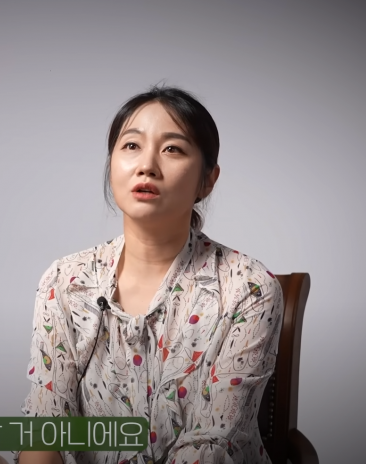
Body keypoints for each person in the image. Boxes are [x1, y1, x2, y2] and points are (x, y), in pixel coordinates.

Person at [16, 86, 283, 464]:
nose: (147, 165)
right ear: (112, 165)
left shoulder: (248, 288)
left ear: (208, 180)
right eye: (131, 146)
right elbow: (45, 426)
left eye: (172, 149)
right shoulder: (65, 281)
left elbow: (210, 443)